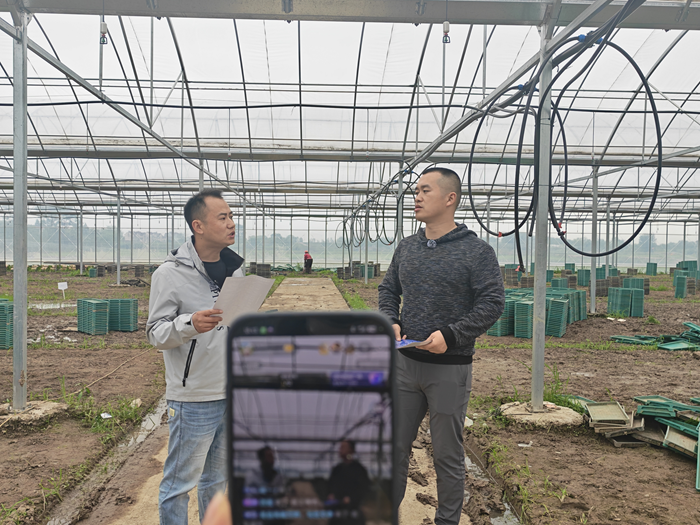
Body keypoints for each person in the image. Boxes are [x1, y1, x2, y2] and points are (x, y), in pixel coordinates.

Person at [378, 167, 505, 525]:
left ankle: (447, 520)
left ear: (450, 198)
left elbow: (492, 303)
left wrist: (450, 335)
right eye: (415, 191)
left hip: (449, 369)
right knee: (393, 449)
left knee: (447, 454)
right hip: (405, 365)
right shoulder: (407, 247)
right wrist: (390, 320)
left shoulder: (476, 252)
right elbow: (389, 290)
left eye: (425, 190)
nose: (416, 197)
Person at [147, 189, 244, 525]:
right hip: (195, 397)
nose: (231, 223)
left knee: (216, 481)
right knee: (179, 484)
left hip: (230, 390)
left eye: (232, 216)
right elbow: (155, 333)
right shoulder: (169, 274)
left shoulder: (235, 270)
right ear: (198, 226)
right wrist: (189, 324)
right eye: (223, 217)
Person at [326, 440, 369, 525]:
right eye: (340, 448)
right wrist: (331, 495)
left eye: (343, 447)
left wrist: (352, 499)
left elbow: (363, 488)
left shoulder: (359, 470)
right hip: (338, 513)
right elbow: (330, 486)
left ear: (351, 450)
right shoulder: (337, 470)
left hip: (353, 513)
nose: (340, 450)